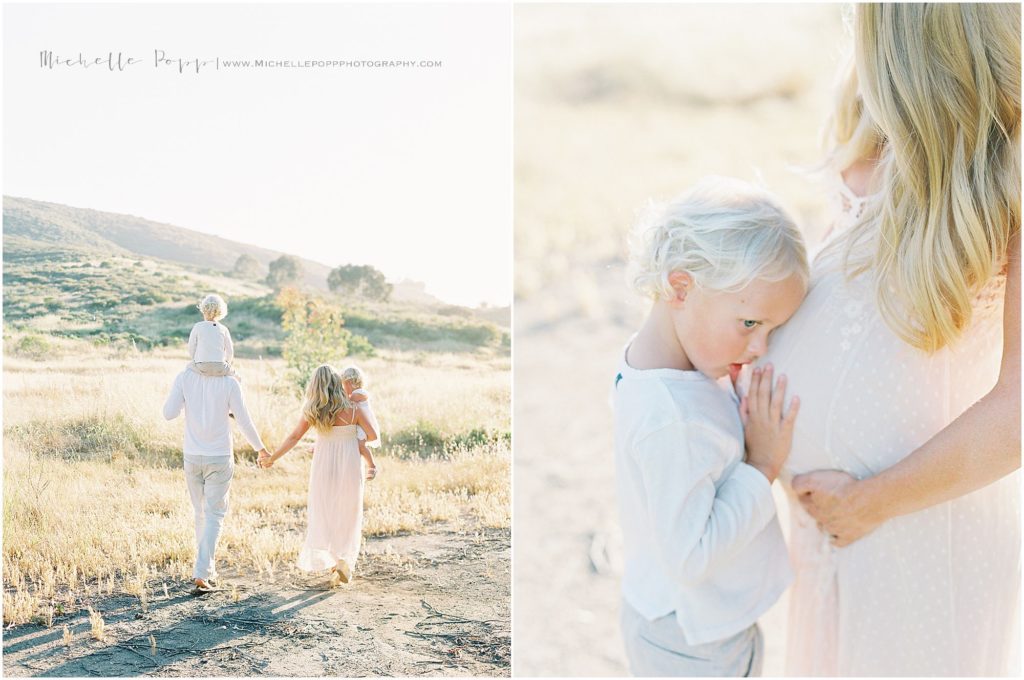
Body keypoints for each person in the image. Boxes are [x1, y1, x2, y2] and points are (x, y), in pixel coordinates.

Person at [760, 4, 1021, 675]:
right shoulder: (871, 137)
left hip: (921, 528)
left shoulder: (1007, 174)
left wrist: (871, 502)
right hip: (836, 537)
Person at [613, 177, 808, 676]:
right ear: (681, 287)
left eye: (772, 330)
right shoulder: (670, 416)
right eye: (749, 324)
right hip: (690, 640)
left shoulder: (668, 368)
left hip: (693, 626)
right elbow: (691, 556)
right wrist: (761, 464)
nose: (760, 346)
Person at [259, 365, 378, 585]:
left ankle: (335, 562)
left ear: (315, 386)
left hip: (323, 464)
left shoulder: (313, 410)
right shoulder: (354, 408)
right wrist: (353, 439)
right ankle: (343, 560)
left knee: (325, 509)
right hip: (350, 464)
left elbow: (294, 437)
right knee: (348, 510)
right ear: (336, 382)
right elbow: (371, 434)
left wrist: (273, 458)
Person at [162, 365, 268, 594]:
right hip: (219, 456)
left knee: (201, 513)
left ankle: (207, 569)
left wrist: (186, 394)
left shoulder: (184, 376)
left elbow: (168, 413)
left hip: (192, 455)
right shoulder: (230, 382)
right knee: (214, 514)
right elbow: (243, 421)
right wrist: (260, 449)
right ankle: (201, 571)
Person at [341, 365, 380, 480]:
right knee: (356, 445)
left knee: (360, 445)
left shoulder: (358, 393)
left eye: (344, 384)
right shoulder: (354, 393)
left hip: (364, 424)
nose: (343, 387)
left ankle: (372, 466)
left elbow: (346, 404)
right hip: (360, 423)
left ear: (351, 382)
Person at [188, 294, 238, 380]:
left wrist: (196, 360)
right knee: (237, 378)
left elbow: (191, 348)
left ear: (203, 309)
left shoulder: (197, 326)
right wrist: (227, 363)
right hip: (220, 366)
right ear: (221, 312)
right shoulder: (223, 329)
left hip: (201, 366)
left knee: (187, 370)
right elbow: (230, 352)